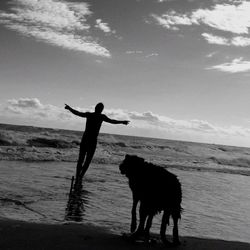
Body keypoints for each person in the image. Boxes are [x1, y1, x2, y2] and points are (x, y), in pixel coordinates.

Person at [65, 103, 129, 184]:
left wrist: (69, 108)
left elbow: (78, 113)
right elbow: (112, 121)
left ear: (96, 108)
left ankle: (78, 176)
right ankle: (80, 176)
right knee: (86, 161)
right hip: (91, 141)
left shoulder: (91, 115)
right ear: (101, 109)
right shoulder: (101, 116)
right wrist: (122, 122)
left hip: (86, 140)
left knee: (81, 160)